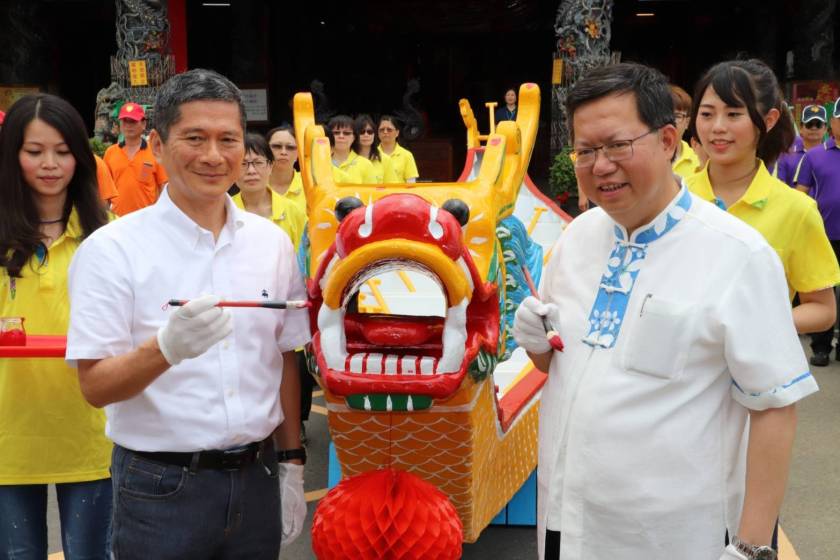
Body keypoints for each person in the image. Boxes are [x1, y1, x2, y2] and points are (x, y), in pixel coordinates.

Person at [513, 62, 817, 560]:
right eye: (586, 151)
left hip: (673, 537)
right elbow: (560, 364)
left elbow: (775, 407)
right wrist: (536, 343)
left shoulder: (738, 255)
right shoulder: (576, 239)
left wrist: (752, 546)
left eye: (617, 145)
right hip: (566, 521)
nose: (601, 165)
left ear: (668, 140)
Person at [66, 69, 310, 559]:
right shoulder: (111, 250)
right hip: (160, 486)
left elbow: (284, 356)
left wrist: (292, 463)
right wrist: (165, 349)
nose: (213, 156)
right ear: (157, 144)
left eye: (228, 139)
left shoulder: (272, 245)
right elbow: (95, 386)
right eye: (194, 138)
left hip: (257, 478)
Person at [0, 93, 112, 559]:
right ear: (12, 156)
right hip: (8, 437)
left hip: (90, 434)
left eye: (63, 151)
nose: (50, 164)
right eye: (35, 151)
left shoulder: (109, 236)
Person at [687, 59, 839, 341]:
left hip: (754, 363)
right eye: (706, 114)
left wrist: (753, 325)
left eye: (733, 114)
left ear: (769, 120)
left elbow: (823, 309)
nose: (717, 127)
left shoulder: (797, 210)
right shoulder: (674, 197)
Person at [795, 96, 840, 365]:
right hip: (823, 234)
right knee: (822, 292)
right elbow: (799, 194)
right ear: (833, 122)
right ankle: (821, 347)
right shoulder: (814, 156)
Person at [233, 132, 306, 251]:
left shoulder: (294, 212)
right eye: (243, 164)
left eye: (258, 163)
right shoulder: (222, 212)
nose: (251, 171)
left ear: (271, 166)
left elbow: (305, 258)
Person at [103, 102, 168, 216]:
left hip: (147, 219)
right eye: (125, 121)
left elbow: (164, 188)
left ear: (143, 124)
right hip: (118, 219)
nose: (128, 125)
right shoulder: (110, 153)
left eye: (133, 121)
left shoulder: (155, 152)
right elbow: (105, 190)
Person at [776, 104, 826, 188]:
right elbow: (780, 186)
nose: (814, 128)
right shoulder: (787, 154)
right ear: (801, 128)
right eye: (809, 124)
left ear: (825, 129)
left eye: (818, 125)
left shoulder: (832, 155)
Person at [266, 124, 306, 215]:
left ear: (299, 153)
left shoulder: (309, 185)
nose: (283, 152)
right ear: (265, 150)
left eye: (290, 147)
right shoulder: (254, 183)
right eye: (277, 146)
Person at [328, 114, 376, 184]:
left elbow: (371, 190)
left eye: (346, 133)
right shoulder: (320, 162)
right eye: (336, 133)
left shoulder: (366, 164)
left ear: (354, 137)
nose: (341, 136)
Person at [353, 113, 397, 183]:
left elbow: (392, 187)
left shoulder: (385, 160)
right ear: (354, 135)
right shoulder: (348, 159)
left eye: (370, 132)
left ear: (374, 134)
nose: (366, 135)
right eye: (362, 132)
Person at [670, 84, 701, 179]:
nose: (670, 121)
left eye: (677, 116)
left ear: (687, 122)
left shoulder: (699, 161)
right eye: (664, 115)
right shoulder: (643, 158)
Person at [378, 115, 419, 183]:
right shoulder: (372, 154)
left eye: (389, 129)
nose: (385, 132)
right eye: (382, 129)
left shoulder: (407, 155)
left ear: (397, 133)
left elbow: (411, 184)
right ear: (378, 133)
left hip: (399, 190)